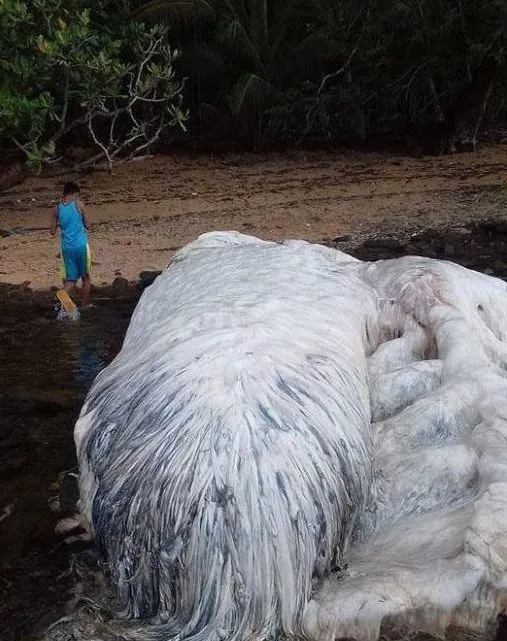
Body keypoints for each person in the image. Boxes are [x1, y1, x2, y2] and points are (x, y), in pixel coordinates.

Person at [50, 182, 92, 308]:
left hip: (66, 248)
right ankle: (84, 305)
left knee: (71, 279)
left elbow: (52, 231)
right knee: (86, 277)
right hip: (80, 245)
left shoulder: (56, 209)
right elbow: (88, 225)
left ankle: (63, 298)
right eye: (76, 195)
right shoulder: (79, 204)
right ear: (73, 193)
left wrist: (62, 223)